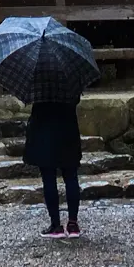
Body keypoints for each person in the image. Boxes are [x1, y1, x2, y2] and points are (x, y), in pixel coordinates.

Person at [25, 97, 83, 238]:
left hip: (45, 134)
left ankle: (56, 225)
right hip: (68, 132)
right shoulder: (69, 87)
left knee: (49, 179)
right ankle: (73, 223)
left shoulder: (40, 90)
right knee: (71, 177)